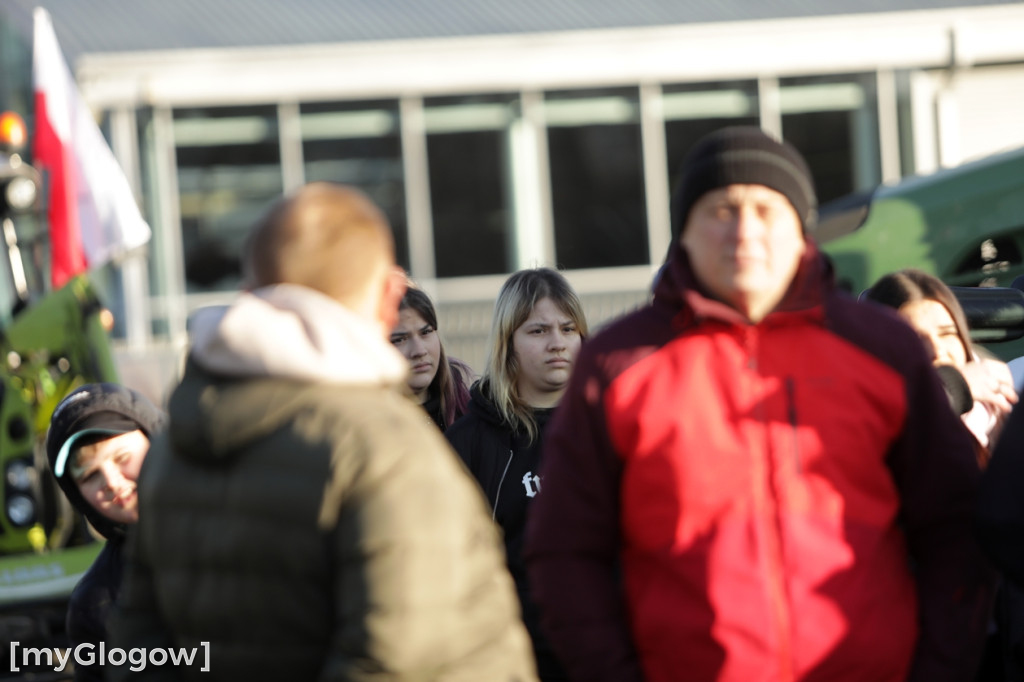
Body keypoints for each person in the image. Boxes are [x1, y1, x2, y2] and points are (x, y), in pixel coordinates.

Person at [524, 126, 994, 682]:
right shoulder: (617, 366)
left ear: (801, 229)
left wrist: (938, 669)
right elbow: (565, 551)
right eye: (721, 210)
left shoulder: (882, 349)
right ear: (684, 231)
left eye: (766, 210)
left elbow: (953, 526)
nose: (744, 231)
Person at [109, 183, 537, 681]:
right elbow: (397, 660)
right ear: (387, 298)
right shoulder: (382, 445)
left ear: (250, 292)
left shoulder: (170, 448)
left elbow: (137, 646)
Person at [446, 267, 588, 681]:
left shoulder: (610, 426)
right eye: (538, 331)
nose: (557, 342)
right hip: (514, 660)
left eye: (568, 328)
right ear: (507, 343)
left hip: (604, 653)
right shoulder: (469, 442)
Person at [44, 382, 165, 682]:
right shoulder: (94, 603)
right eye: (89, 475)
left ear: (157, 440)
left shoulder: (239, 526)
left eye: (122, 458)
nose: (110, 481)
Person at [863, 268, 1017, 466]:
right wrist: (958, 386)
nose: (937, 350)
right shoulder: (868, 422)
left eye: (947, 333)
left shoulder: (1004, 409)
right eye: (915, 339)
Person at [390, 284, 473, 431]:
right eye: (400, 340)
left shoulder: (471, 413)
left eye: (426, 332)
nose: (419, 351)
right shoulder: (363, 428)